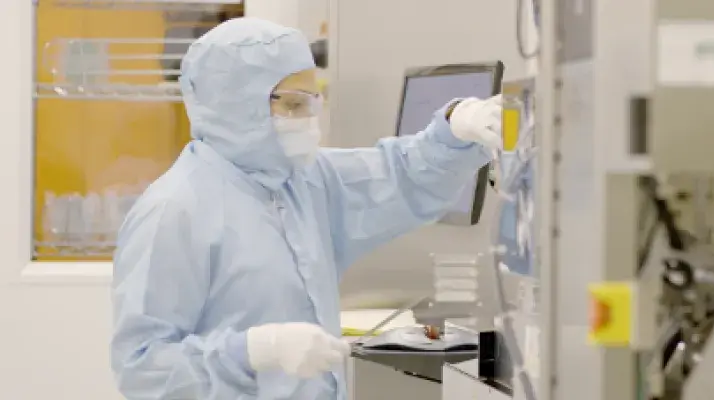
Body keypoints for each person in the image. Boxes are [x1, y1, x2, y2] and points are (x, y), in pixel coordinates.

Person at [110, 17, 501, 400]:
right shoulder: (174, 211)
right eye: (294, 104)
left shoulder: (303, 180)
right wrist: (254, 351)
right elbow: (143, 369)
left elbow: (399, 176)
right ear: (236, 105)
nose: (309, 119)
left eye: (313, 101)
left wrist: (456, 127)